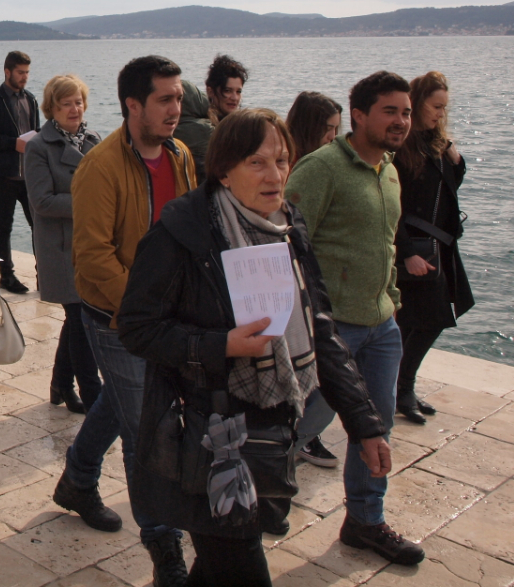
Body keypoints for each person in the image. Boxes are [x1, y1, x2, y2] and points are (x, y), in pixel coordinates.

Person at [118, 108, 391, 587]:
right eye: (257, 163)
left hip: (273, 430)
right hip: (212, 439)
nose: (276, 175)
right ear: (224, 170)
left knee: (220, 566)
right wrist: (220, 345)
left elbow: (318, 328)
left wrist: (363, 423)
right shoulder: (183, 233)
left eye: (282, 161)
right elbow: (137, 328)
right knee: (240, 563)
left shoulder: (287, 226)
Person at [53, 55, 195, 587]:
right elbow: (92, 257)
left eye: (179, 97)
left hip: (165, 315)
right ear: (133, 105)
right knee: (148, 432)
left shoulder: (181, 155)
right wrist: (145, 309)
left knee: (122, 401)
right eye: (165, 99)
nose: (176, 108)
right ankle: (164, 547)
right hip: (116, 317)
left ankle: (77, 479)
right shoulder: (100, 167)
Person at [285, 71, 425, 565]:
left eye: (406, 112)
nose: (401, 121)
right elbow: (287, 242)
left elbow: (385, 244)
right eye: (390, 111)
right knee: (299, 424)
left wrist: (391, 296)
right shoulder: (322, 168)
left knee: (377, 426)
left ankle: (365, 520)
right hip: (332, 328)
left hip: (381, 324)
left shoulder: (389, 170)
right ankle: (251, 496)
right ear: (359, 115)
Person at [393, 72, 473, 424]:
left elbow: (446, 189)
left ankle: (400, 387)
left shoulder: (435, 144)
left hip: (438, 245)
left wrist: (457, 161)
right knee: (424, 320)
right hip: (415, 246)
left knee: (421, 320)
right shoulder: (402, 148)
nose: (441, 113)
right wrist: (406, 251)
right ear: (418, 102)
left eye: (444, 108)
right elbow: (392, 205)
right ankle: (401, 388)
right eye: (435, 106)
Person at [24, 74, 101, 415]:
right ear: (51, 109)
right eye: (66, 103)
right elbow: (41, 201)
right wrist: (91, 203)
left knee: (77, 318)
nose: (74, 109)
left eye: (78, 102)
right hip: (60, 246)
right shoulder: (39, 146)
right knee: (82, 318)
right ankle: (93, 394)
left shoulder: (94, 140)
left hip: (92, 244)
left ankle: (60, 383)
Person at [285, 89, 345, 467]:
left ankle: (303, 436)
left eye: (338, 129)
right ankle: (295, 440)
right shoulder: (299, 170)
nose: (333, 137)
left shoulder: (327, 166)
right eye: (328, 129)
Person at [0, 50, 39, 293]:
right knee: (4, 227)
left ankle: (43, 273)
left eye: (27, 72)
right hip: (3, 175)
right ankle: (7, 276)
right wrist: (14, 143)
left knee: (39, 226)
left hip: (29, 174)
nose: (24, 77)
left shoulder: (31, 99)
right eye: (20, 72)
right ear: (7, 72)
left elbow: (36, 131)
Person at [175, 54, 249, 180]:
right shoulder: (204, 129)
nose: (234, 98)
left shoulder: (233, 126)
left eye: (238, 91)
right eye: (227, 91)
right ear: (210, 91)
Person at [287, 91, 343, 164]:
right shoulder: (286, 162)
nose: (333, 136)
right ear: (308, 127)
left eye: (336, 128)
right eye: (327, 129)